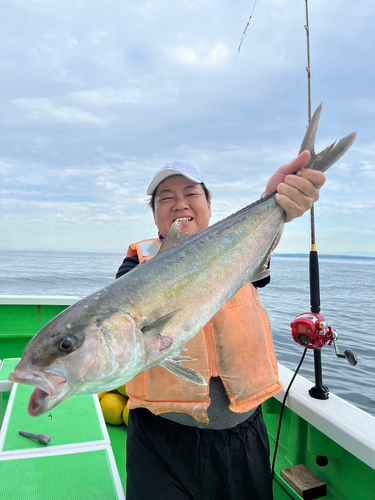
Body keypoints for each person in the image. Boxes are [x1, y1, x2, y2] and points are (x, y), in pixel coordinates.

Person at [116, 154, 325, 500]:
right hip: (160, 438)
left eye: (191, 193)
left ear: (209, 204)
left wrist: (274, 202)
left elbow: (260, 248)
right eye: (165, 198)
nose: (179, 203)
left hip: (242, 435)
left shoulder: (238, 248)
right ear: (154, 213)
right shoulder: (136, 263)